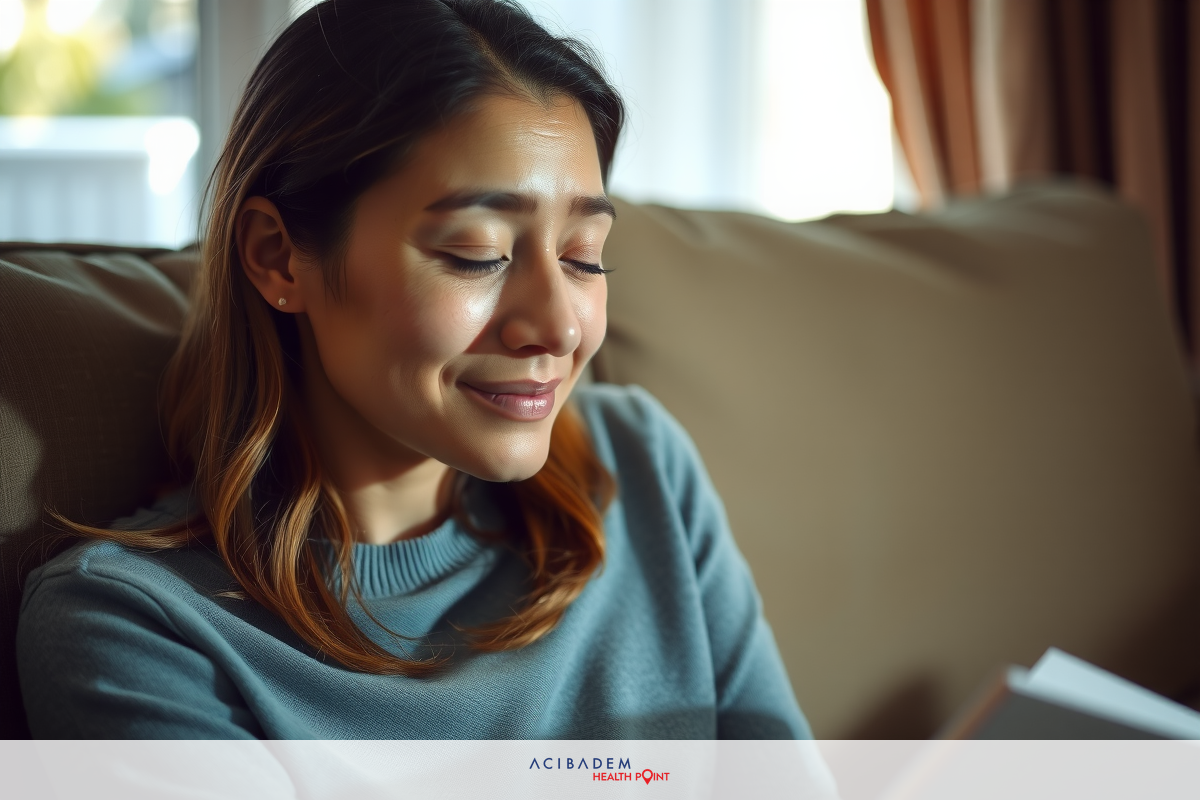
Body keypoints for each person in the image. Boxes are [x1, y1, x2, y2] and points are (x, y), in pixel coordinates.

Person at [17, 0, 812, 741]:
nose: (561, 324)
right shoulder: (134, 626)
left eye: (583, 257)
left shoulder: (642, 470)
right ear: (276, 256)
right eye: (478, 255)